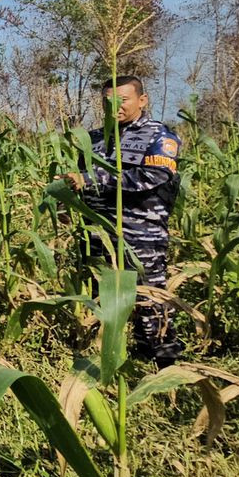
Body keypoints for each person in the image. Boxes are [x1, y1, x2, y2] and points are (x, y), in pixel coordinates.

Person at [62, 75, 183, 366]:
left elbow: (153, 176)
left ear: (142, 100)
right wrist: (67, 205)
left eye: (122, 100)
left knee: (147, 296)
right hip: (98, 233)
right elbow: (78, 182)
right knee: (100, 295)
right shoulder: (92, 139)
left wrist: (90, 180)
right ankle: (103, 356)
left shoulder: (159, 136)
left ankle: (162, 358)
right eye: (107, 101)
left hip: (140, 234)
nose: (113, 106)